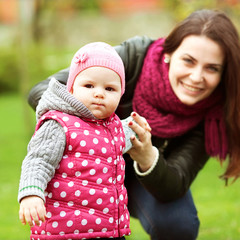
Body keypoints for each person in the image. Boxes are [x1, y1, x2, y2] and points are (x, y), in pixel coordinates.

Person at [26, 9, 240, 240]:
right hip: (82, 166)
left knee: (179, 223)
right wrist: (93, 132)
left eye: (212, 68)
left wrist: (147, 155)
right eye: (188, 61)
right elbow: (41, 92)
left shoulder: (213, 115)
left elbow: (175, 183)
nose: (197, 77)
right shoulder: (133, 56)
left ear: (223, 74)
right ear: (169, 53)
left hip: (141, 175)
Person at [18, 42, 148, 240]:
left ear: (120, 95)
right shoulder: (59, 123)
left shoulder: (112, 128)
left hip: (107, 229)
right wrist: (31, 193)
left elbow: (126, 139)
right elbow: (38, 160)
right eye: (89, 85)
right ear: (71, 88)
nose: (99, 93)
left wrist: (140, 130)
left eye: (110, 88)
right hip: (64, 231)